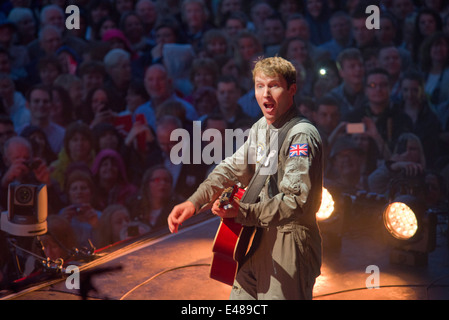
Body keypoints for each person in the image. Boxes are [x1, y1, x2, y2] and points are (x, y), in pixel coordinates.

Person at [168, 56, 323, 300]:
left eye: (274, 85)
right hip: (256, 236)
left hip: (290, 241)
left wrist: (243, 213)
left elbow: (296, 201)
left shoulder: (301, 135)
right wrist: (195, 201)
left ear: (292, 90)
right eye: (260, 86)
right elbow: (230, 169)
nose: (266, 94)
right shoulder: (261, 127)